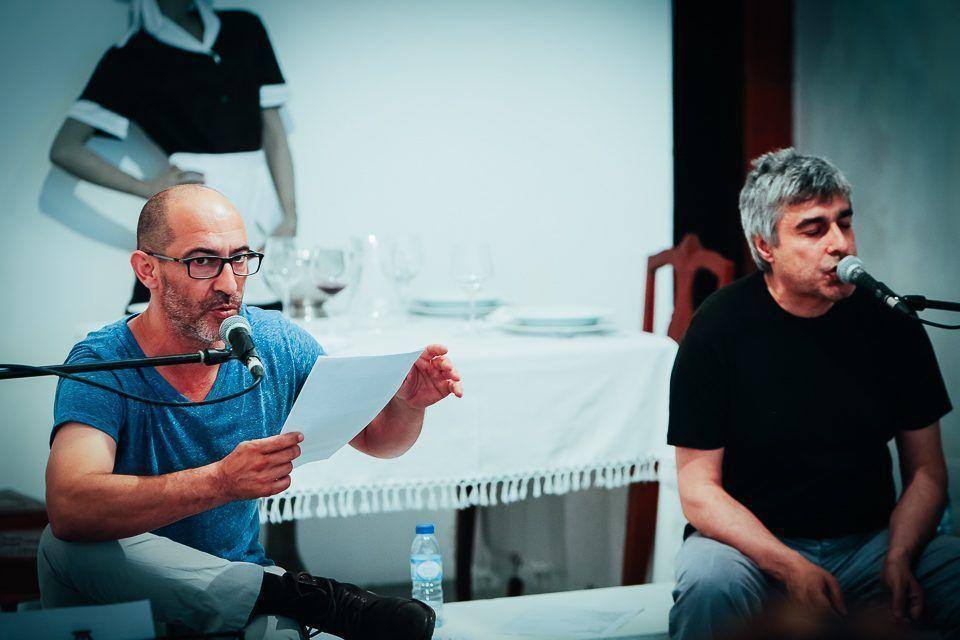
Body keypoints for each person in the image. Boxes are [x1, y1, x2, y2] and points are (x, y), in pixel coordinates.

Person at [38, 185, 462, 640]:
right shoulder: (104, 361)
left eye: (239, 259)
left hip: (242, 591)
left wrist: (407, 404)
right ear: (148, 270)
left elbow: (378, 439)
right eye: (203, 261)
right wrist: (220, 482)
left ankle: (283, 597)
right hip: (130, 602)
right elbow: (71, 505)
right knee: (62, 545)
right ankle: (303, 599)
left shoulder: (272, 341)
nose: (228, 284)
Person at [667, 149, 960, 640]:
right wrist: (787, 565)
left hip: (869, 543)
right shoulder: (718, 327)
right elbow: (698, 490)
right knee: (708, 584)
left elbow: (927, 471)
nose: (840, 244)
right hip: (752, 547)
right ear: (766, 246)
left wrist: (900, 554)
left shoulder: (890, 322)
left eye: (844, 223)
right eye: (813, 229)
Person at [49, 0, 296, 310]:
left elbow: (274, 132)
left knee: (260, 320)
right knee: (177, 318)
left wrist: (289, 215)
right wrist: (146, 187)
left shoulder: (244, 28)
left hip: (257, 213)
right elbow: (65, 148)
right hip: (189, 217)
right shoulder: (132, 54)